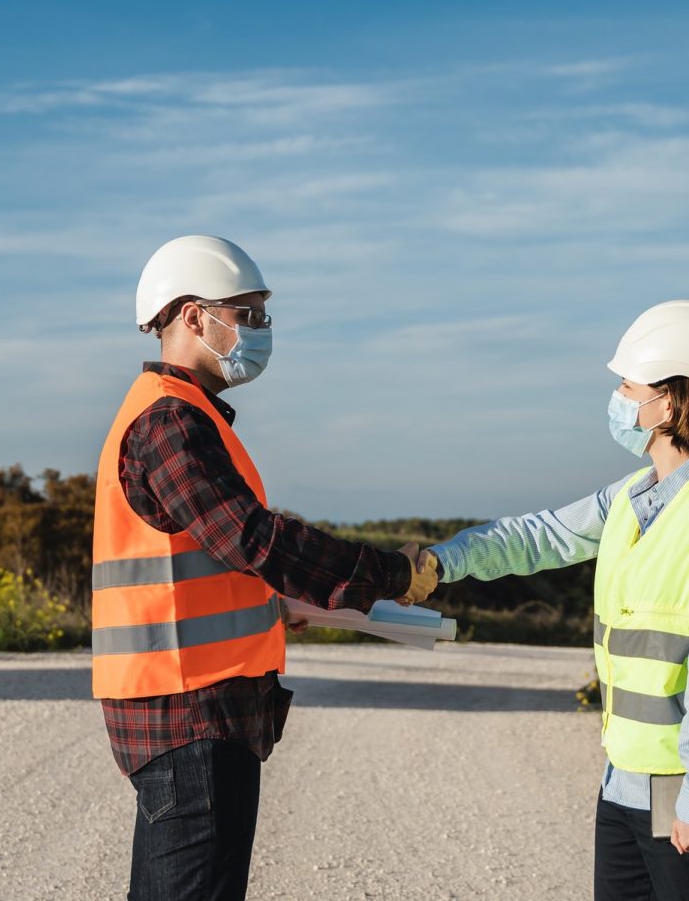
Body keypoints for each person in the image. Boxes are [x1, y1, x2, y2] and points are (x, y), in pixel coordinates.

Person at [92, 235, 439, 901]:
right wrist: (391, 574)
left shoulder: (181, 416)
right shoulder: (170, 423)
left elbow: (211, 560)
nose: (261, 331)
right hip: (191, 718)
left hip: (188, 711)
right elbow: (256, 540)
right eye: (247, 314)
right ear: (193, 317)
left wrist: (276, 606)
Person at [421, 300, 689, 901]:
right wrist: (442, 562)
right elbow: (539, 535)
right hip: (624, 779)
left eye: (627, 385)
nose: (617, 399)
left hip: (679, 790)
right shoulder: (631, 497)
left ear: (668, 401)